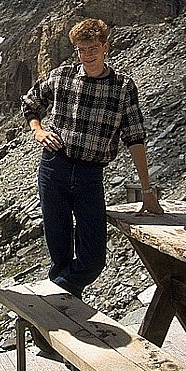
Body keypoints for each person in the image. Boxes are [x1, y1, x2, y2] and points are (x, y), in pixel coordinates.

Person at [21, 17, 163, 306]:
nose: (87, 55)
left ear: (105, 47)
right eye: (81, 50)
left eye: (93, 48)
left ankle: (46, 302)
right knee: (59, 252)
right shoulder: (62, 76)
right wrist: (38, 131)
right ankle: (57, 327)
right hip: (54, 168)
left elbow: (135, 137)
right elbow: (31, 102)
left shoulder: (123, 87)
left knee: (93, 258)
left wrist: (147, 191)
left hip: (89, 175)